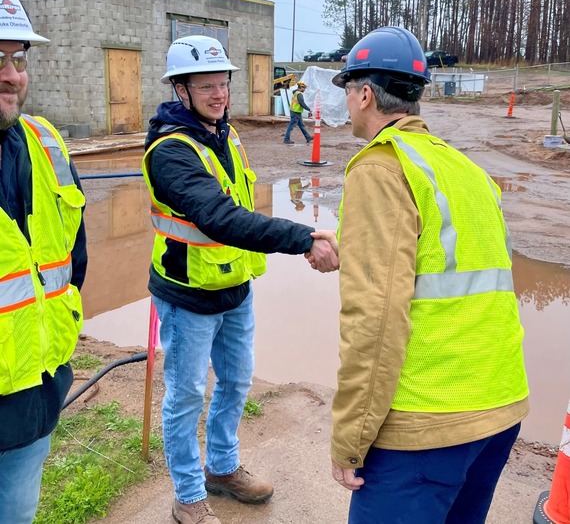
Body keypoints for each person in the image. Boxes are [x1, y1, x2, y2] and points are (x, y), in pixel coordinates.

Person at [323, 26, 529, 524]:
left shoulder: (380, 169)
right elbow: (451, 272)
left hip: (428, 421)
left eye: (348, 90)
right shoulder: (463, 168)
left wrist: (350, 438)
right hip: (499, 406)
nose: (347, 103)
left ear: (366, 94)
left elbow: (373, 319)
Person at [141, 35, 338, 524]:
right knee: (186, 396)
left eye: (223, 84)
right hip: (187, 297)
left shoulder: (226, 137)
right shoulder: (171, 152)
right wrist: (303, 238)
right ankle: (188, 494)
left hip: (234, 290)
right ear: (180, 91)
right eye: (205, 86)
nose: (218, 94)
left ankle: (222, 468)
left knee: (235, 382)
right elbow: (220, 216)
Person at [0, 0, 88, 523]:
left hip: (34, 396)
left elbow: (73, 262)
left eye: (17, 58)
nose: (9, 74)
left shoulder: (46, 142)